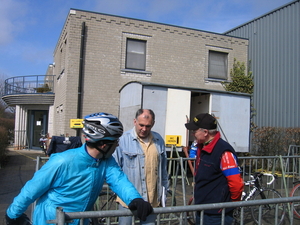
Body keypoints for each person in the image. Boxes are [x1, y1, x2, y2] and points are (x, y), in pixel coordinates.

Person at [6, 112, 153, 225]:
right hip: (52, 220)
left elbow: (119, 180)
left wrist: (135, 199)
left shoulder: (106, 161)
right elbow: (31, 189)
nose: (117, 145)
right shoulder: (62, 161)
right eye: (115, 142)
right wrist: (13, 215)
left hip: (80, 219)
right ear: (103, 144)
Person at [185, 113, 244, 225]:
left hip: (216, 215)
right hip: (203, 209)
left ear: (205, 132)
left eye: (195, 131)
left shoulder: (224, 152)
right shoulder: (202, 147)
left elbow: (236, 183)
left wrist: (231, 205)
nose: (192, 134)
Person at [113, 109, 169, 225]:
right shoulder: (123, 140)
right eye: (141, 125)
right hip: (127, 201)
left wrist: (165, 192)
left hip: (151, 200)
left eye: (148, 126)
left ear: (153, 124)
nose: (144, 129)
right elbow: (115, 171)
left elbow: (163, 170)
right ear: (135, 121)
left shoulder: (159, 140)